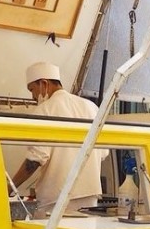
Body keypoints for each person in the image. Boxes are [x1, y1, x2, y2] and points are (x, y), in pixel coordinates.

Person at [11, 61, 104, 213]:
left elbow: (34, 160)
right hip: (90, 198)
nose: (33, 96)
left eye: (32, 89)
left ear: (43, 83)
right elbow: (102, 153)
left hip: (56, 201)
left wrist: (11, 187)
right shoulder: (91, 107)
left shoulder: (45, 110)